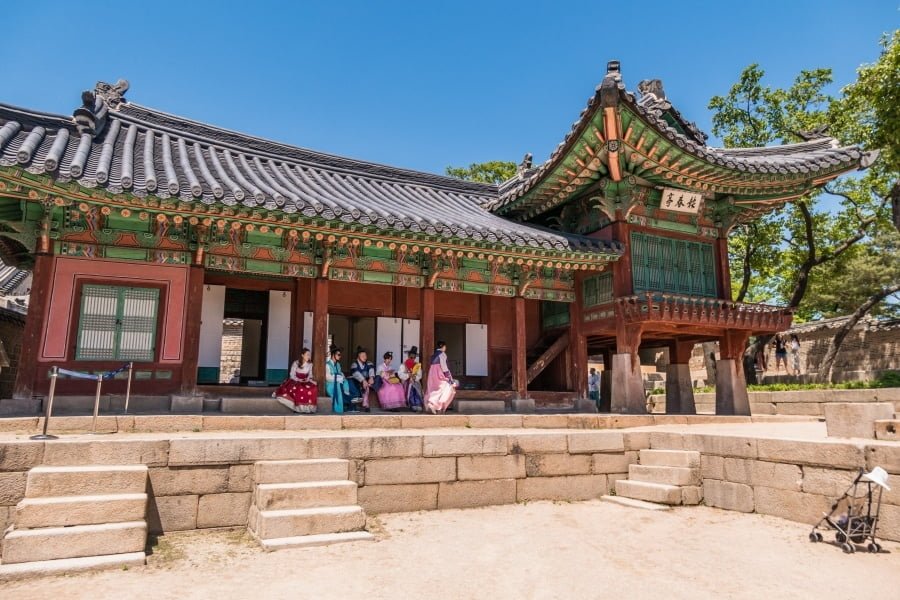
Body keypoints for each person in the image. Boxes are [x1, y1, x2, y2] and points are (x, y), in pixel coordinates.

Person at [273, 348, 317, 413]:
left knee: (313, 388)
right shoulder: (296, 363)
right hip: (295, 381)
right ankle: (299, 408)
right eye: (307, 355)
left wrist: (308, 380)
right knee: (299, 389)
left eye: (309, 355)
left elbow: (310, 375)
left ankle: (308, 408)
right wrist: (299, 380)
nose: (309, 356)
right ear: (302, 355)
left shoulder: (310, 364)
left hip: (305, 381)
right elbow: (292, 375)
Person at [424, 341, 458, 414]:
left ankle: (431, 404)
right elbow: (444, 367)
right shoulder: (442, 354)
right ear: (443, 346)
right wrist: (449, 377)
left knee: (433, 389)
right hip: (439, 374)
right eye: (445, 347)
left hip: (432, 375)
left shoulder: (433, 355)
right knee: (446, 387)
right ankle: (438, 406)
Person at [348, 347, 376, 412]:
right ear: (358, 357)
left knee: (376, 380)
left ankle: (365, 404)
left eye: (365, 355)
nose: (365, 357)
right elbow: (356, 373)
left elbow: (371, 370)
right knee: (361, 387)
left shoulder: (369, 363)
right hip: (357, 382)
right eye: (362, 355)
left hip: (367, 382)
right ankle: (365, 405)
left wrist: (371, 377)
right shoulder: (354, 364)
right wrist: (363, 380)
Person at [325, 345, 351, 413]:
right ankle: (338, 408)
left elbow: (340, 373)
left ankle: (346, 403)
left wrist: (341, 376)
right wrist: (337, 378)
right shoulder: (327, 365)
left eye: (340, 355)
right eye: (338, 355)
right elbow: (328, 377)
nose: (340, 356)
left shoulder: (338, 365)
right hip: (330, 384)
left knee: (348, 382)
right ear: (333, 355)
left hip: (338, 381)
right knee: (338, 386)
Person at [398, 346, 424, 412]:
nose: (412, 358)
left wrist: (415, 377)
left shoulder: (417, 365)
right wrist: (408, 375)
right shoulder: (403, 365)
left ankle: (418, 404)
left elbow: (419, 375)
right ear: (409, 356)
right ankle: (412, 404)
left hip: (415, 381)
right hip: (406, 382)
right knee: (411, 388)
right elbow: (400, 374)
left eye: (414, 356)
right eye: (411, 356)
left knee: (416, 388)